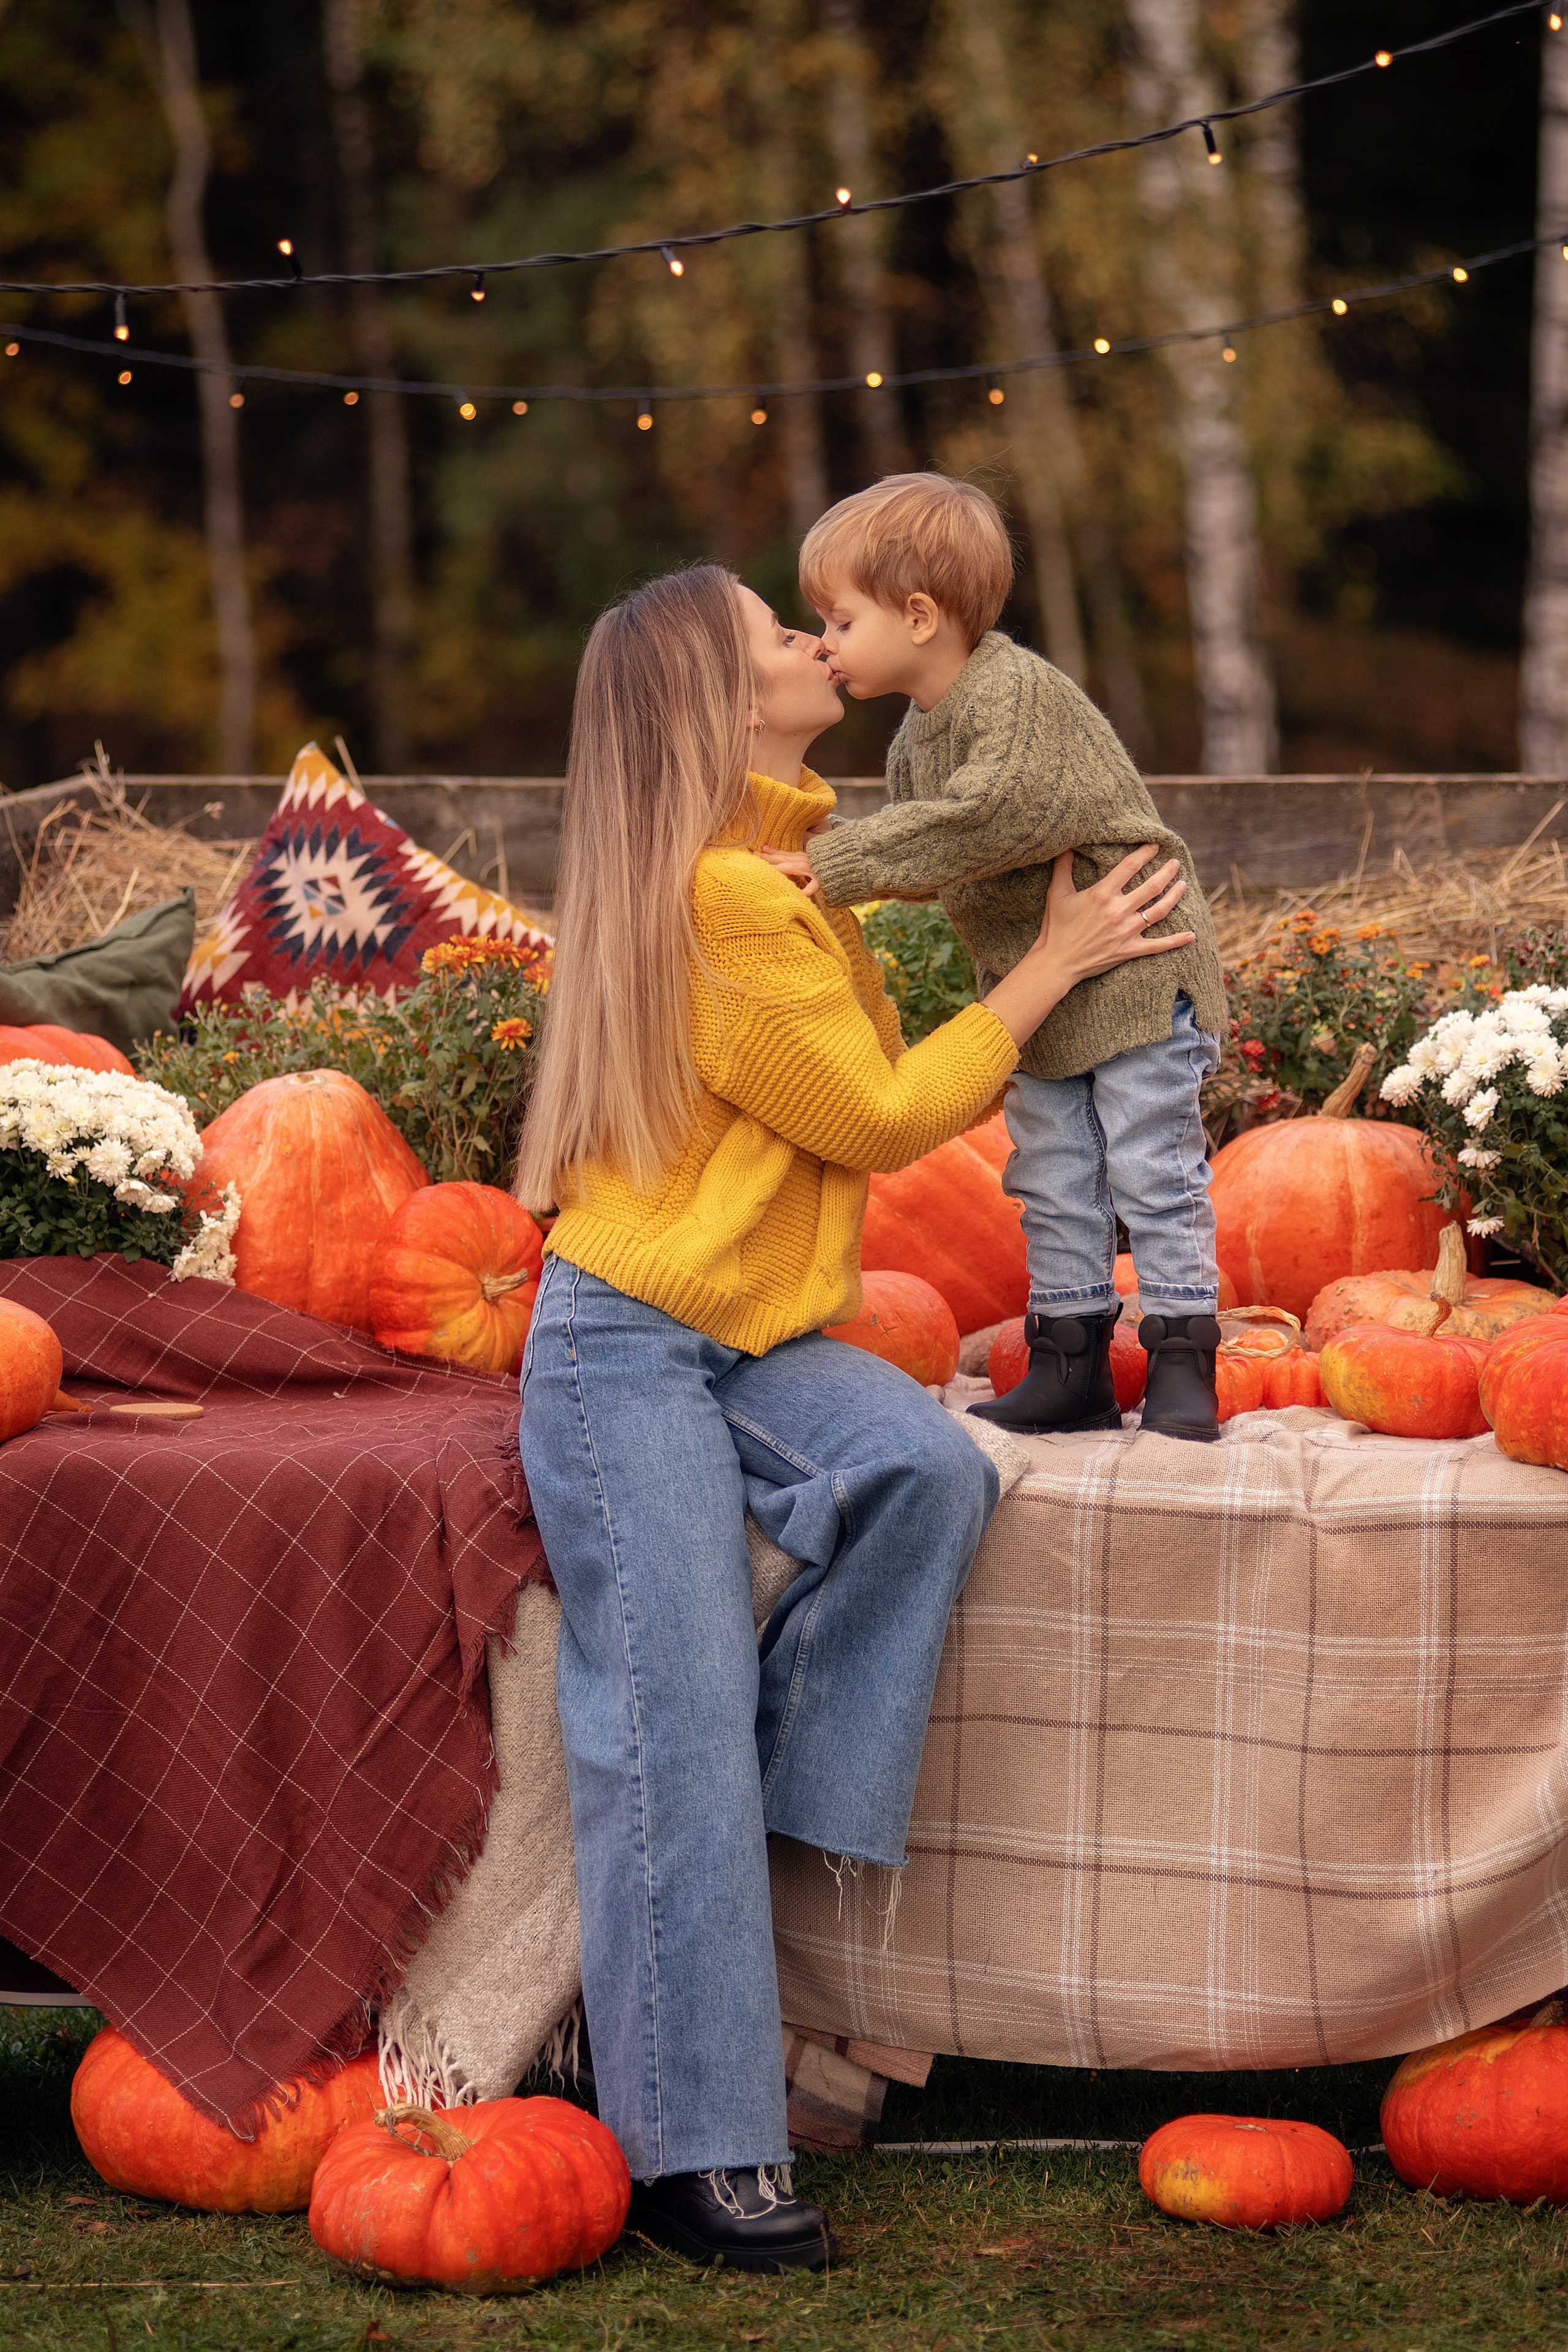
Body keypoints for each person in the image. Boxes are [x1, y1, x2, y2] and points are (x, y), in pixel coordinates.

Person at [513, 563, 1193, 2273]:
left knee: (919, 1468)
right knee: (660, 1717)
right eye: (782, 637)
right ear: (714, 706)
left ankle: (747, 1813)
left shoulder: (774, 875)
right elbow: (885, 1119)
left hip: (749, 1331)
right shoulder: (729, 899)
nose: (821, 646)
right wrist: (1053, 966)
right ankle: (695, 2154)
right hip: (628, 1351)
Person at [763, 473, 1229, 1442]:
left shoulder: (1014, 696)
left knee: (1150, 1166)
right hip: (1047, 990)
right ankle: (1072, 1361)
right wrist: (857, 874)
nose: (826, 644)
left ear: (921, 615)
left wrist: (835, 861)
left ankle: (1185, 1355)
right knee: (1054, 1175)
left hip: (1133, 964)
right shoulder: (918, 739)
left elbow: (996, 817)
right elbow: (948, 852)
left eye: (840, 621)